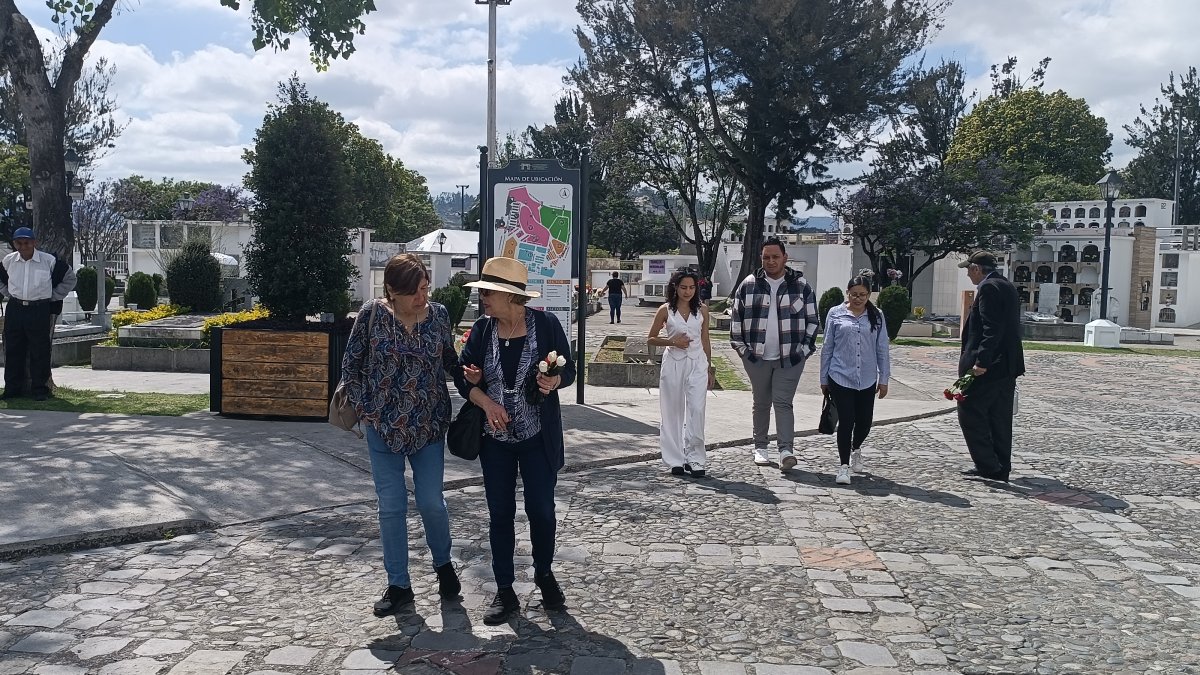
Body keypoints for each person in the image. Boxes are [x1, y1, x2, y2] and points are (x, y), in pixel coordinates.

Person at [338, 253, 461, 617]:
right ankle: (399, 585)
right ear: (391, 290)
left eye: (425, 289)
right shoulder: (371, 316)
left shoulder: (438, 315)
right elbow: (352, 366)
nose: (422, 298)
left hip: (428, 425)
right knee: (391, 507)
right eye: (413, 293)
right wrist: (366, 410)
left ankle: (443, 566)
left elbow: (448, 360)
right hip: (383, 427)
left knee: (431, 502)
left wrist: (465, 372)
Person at [456, 256, 576, 625]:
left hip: (538, 437)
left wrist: (554, 381)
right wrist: (481, 392)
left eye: (488, 293)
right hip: (495, 442)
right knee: (500, 514)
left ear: (511, 296)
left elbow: (568, 368)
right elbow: (463, 381)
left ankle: (543, 572)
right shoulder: (481, 330)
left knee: (541, 510)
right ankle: (505, 590)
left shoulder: (546, 325)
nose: (483, 300)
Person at [730, 237, 818, 472]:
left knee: (783, 402)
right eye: (766, 257)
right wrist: (743, 351)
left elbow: (813, 322)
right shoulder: (748, 285)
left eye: (775, 257)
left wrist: (804, 351)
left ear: (785, 258)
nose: (771, 261)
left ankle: (786, 450)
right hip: (756, 358)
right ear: (761, 258)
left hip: (790, 358)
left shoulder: (801, 286)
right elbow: (736, 322)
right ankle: (760, 447)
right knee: (761, 403)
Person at [957, 251, 1025, 482]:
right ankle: (1000, 465)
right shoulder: (1006, 285)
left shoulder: (988, 288)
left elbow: (991, 329)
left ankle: (988, 464)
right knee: (999, 416)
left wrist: (980, 362)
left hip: (989, 366)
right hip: (1007, 365)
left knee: (970, 411)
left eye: (969, 270)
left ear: (977, 268)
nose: (968, 274)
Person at [819, 272, 891, 485]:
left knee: (865, 421)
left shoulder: (877, 315)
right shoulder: (835, 313)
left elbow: (882, 348)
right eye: (854, 294)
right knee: (846, 421)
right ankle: (843, 466)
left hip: (867, 377)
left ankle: (856, 447)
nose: (858, 299)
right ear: (847, 293)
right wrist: (824, 378)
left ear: (869, 295)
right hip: (840, 375)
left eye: (862, 295)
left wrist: (884, 378)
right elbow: (827, 346)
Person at [647, 269, 714, 477]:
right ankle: (675, 459)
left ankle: (695, 459)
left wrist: (710, 367)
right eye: (683, 287)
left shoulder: (702, 310)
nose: (688, 291)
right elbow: (651, 338)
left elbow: (705, 339)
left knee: (696, 409)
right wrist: (673, 342)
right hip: (673, 363)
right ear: (675, 287)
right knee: (672, 412)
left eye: (692, 287)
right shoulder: (665, 310)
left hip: (697, 363)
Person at [0, 228, 76, 401]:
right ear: (14, 244)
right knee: (12, 350)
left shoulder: (48, 261)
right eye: (18, 243)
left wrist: (53, 296)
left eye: (26, 242)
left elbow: (70, 278)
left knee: (39, 351)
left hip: (39, 309)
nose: (23, 246)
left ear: (34, 242)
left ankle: (40, 390)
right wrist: (8, 292)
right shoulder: (8, 261)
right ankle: (12, 389)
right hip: (16, 308)